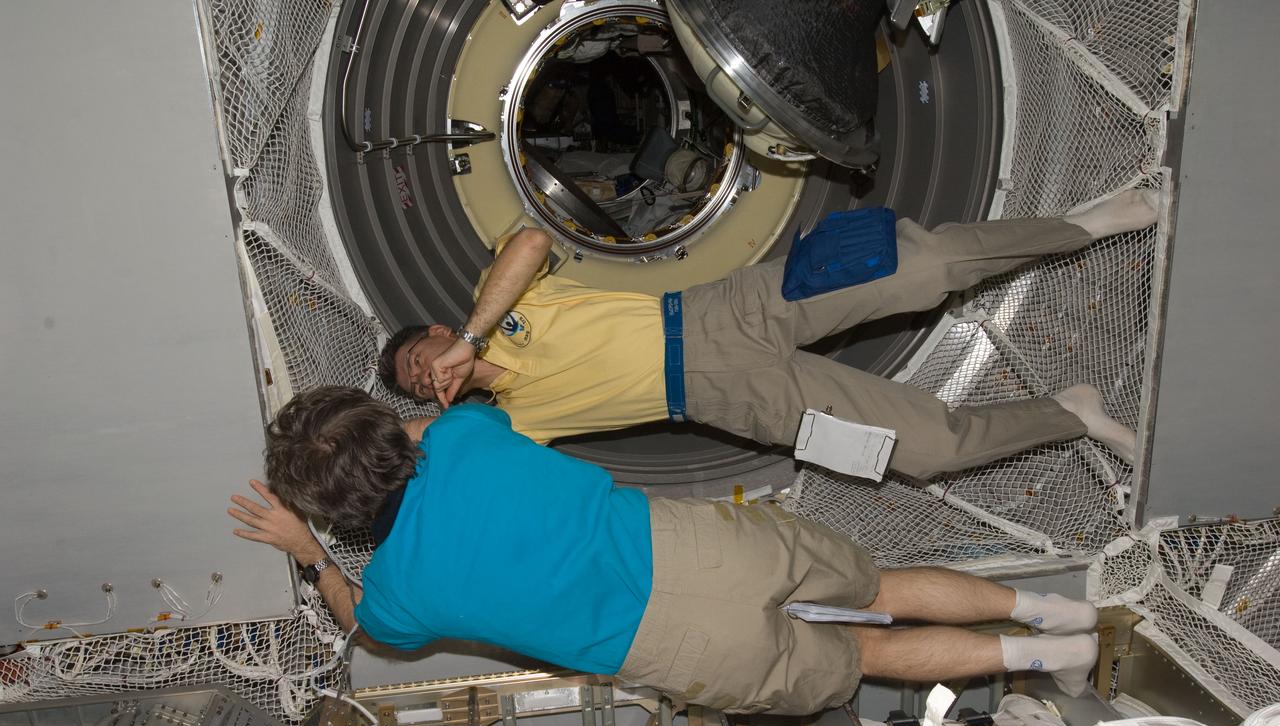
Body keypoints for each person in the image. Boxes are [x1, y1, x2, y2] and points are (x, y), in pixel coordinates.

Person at [229, 386, 1101, 716]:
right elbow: (449, 419)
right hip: (697, 549)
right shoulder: (460, 434)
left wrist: (311, 551)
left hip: (668, 643)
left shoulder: (398, 595)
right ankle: (1054, 609)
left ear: (338, 511)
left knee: (866, 651)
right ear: (388, 428)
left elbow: (362, 623)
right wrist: (384, 432)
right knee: (882, 583)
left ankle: (1048, 655)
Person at [378, 190, 1157, 479]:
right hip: (733, 399)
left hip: (722, 312)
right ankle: (1072, 413)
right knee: (927, 452)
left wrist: (474, 339)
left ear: (442, 331)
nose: (427, 373)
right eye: (419, 382)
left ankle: (1080, 227)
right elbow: (420, 453)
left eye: (420, 357)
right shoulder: (510, 424)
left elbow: (531, 244)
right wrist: (433, 411)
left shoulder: (497, 303)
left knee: (924, 269)